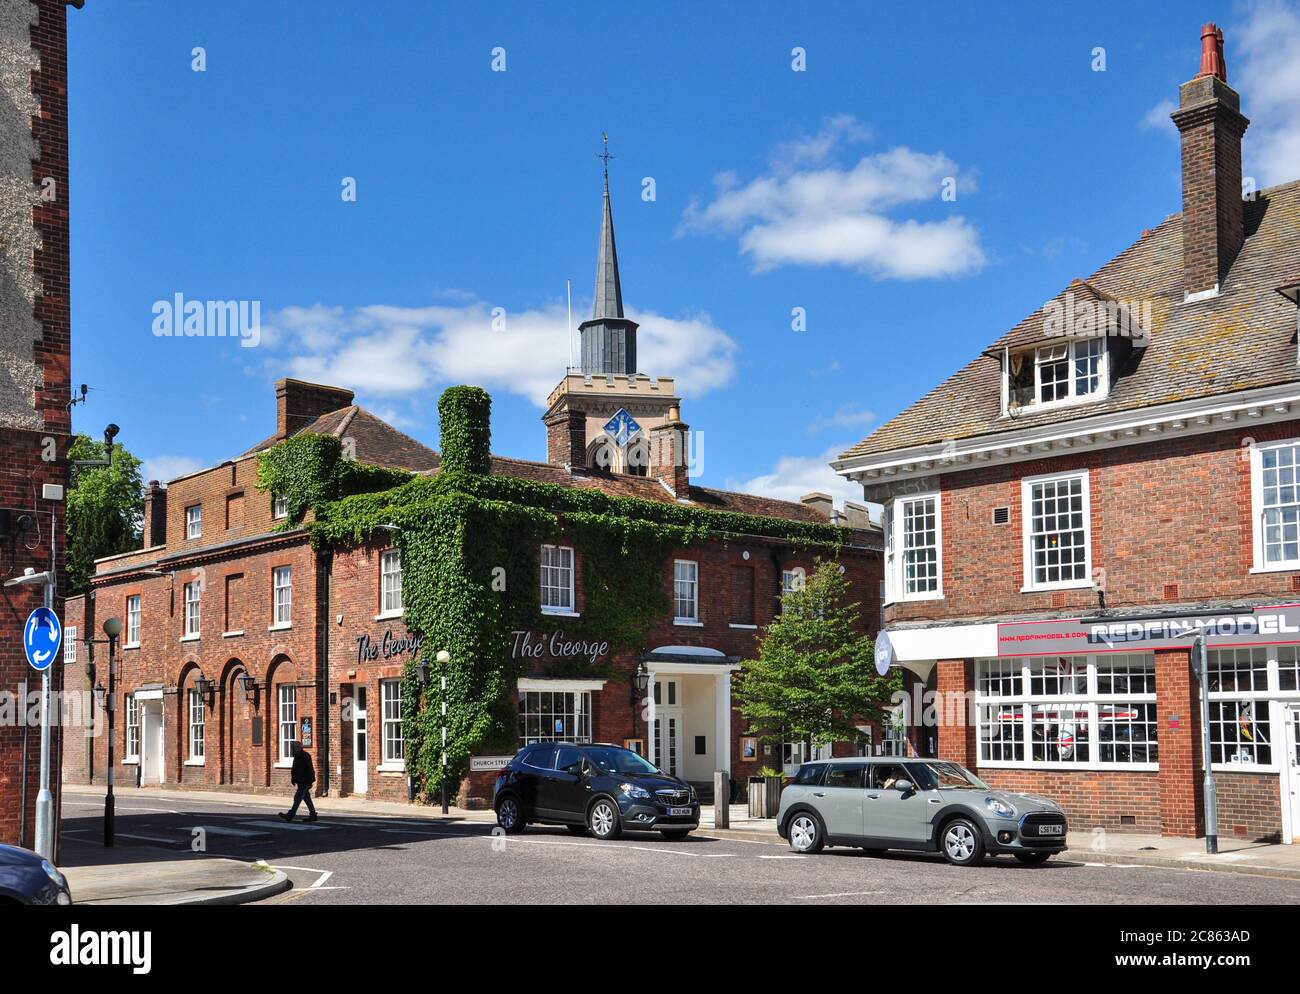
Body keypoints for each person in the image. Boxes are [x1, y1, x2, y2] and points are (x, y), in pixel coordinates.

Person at [280, 741, 318, 822]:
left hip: (305, 781)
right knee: (307, 798)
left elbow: (310, 769)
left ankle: (290, 814)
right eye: (292, 748)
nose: (292, 749)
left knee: (297, 798)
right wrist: (293, 779)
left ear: (298, 747)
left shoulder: (305, 756)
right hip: (300, 781)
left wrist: (310, 781)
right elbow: (295, 769)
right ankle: (313, 815)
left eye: (293, 748)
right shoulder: (297, 756)